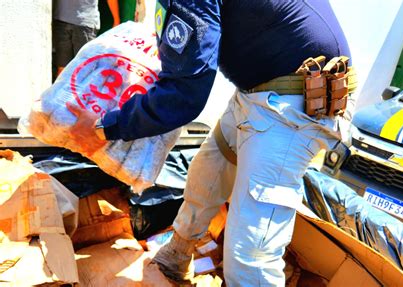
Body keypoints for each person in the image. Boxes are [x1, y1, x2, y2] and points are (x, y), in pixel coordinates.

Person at [66, 0, 354, 285]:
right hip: (261, 90)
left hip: (295, 102)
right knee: (208, 172)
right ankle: (176, 255)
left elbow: (184, 95)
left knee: (249, 255)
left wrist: (107, 126)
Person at [53, 0, 119, 77]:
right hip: (61, 20)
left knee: (84, 70)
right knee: (62, 69)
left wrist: (116, 20)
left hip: (85, 24)